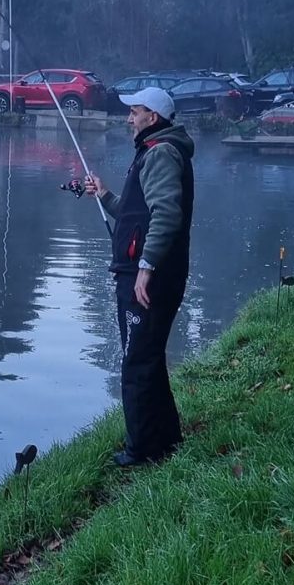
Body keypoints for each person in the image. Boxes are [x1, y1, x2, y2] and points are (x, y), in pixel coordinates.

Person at [85, 86, 194, 466]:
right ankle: (165, 441)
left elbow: (166, 215)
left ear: (154, 117)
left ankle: (143, 451)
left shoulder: (161, 153)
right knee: (147, 357)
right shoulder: (154, 151)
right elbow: (139, 219)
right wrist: (105, 196)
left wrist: (146, 269)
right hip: (147, 273)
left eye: (136, 111)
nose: (129, 118)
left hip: (149, 279)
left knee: (135, 362)